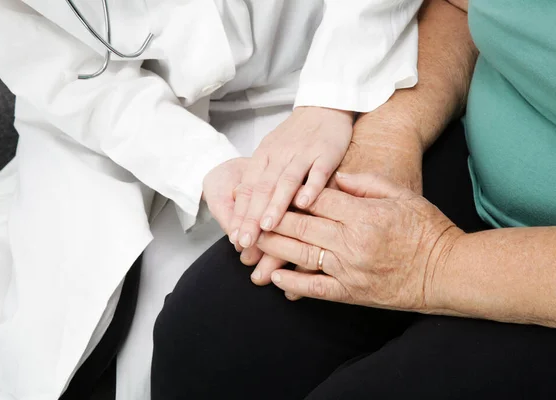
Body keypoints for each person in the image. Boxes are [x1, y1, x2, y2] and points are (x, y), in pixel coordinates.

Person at [0, 0, 424, 398]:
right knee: (47, 349)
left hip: (331, 64)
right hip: (105, 110)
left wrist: (331, 98)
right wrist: (200, 166)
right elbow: (52, 61)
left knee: (240, 340)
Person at [152, 0, 556, 398]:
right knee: (207, 343)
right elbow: (462, 6)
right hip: (474, 154)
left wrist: (435, 264)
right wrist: (393, 134)